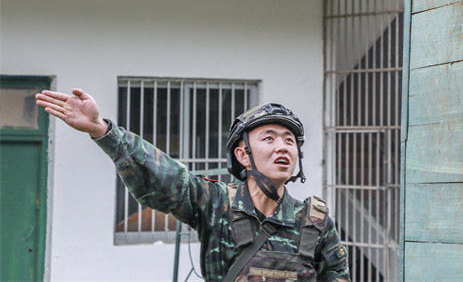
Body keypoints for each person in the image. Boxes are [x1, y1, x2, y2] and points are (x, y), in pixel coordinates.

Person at [36, 88, 350, 282]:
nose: (283, 147)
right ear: (243, 154)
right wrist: (102, 130)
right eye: (269, 138)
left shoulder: (315, 222)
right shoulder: (215, 204)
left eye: (290, 141)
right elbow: (166, 177)